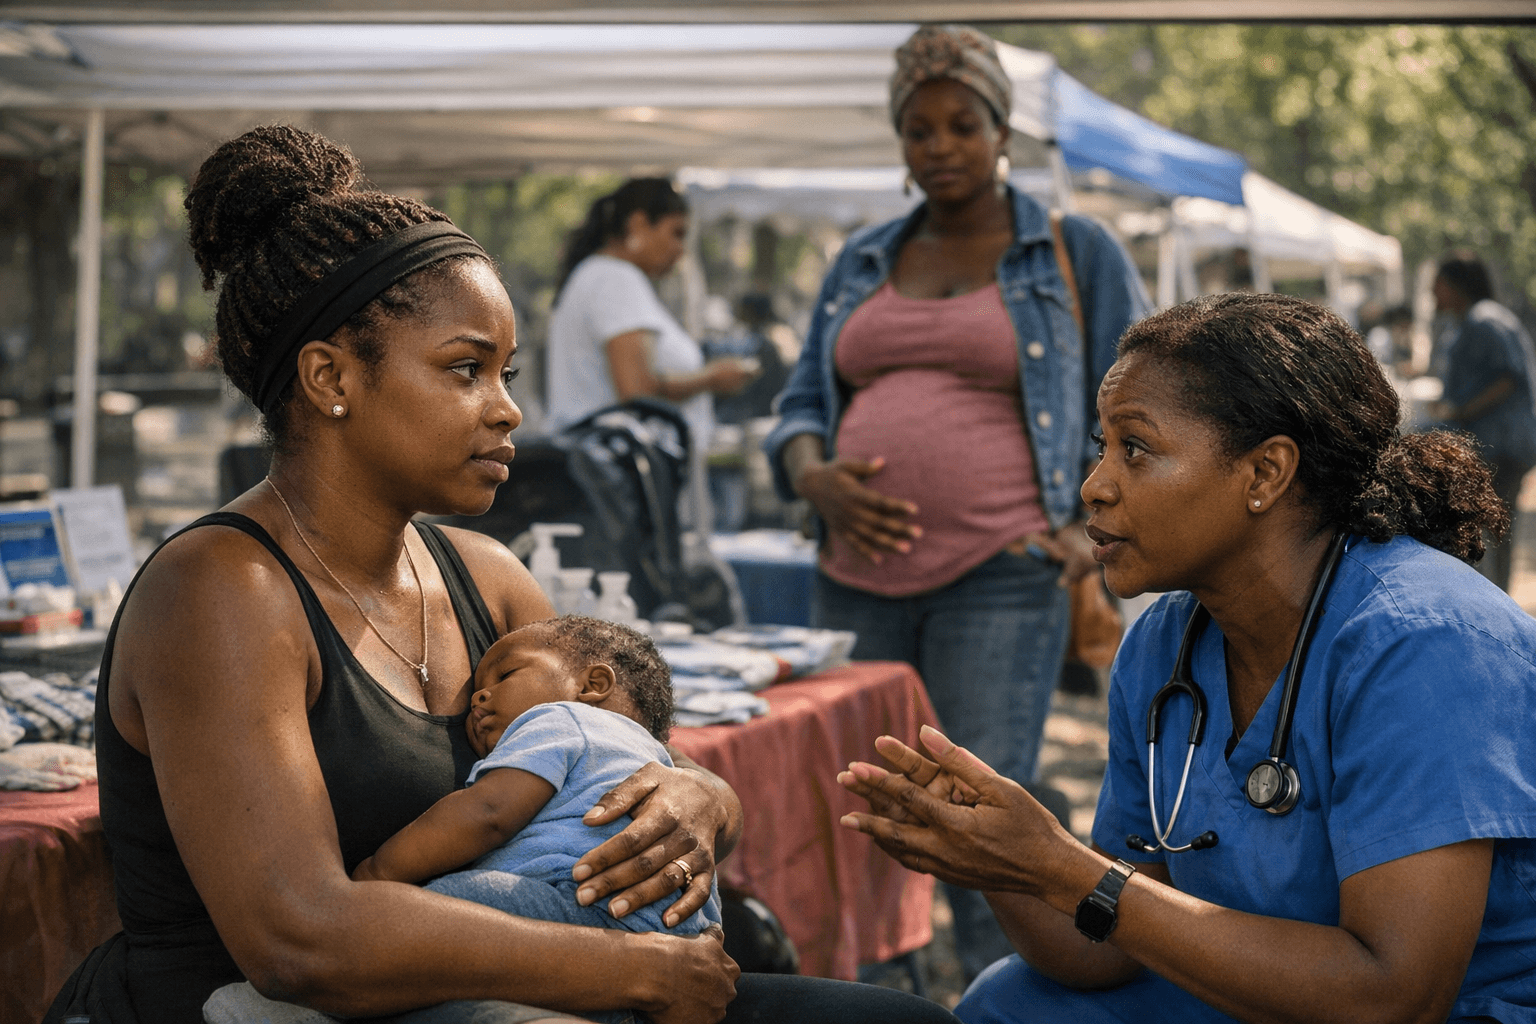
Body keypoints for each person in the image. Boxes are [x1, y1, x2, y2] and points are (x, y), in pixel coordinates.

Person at [48, 125, 958, 1024]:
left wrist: (702, 799)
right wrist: (625, 969)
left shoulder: (487, 579)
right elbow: (302, 940)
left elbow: (647, 768)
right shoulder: (221, 590)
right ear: (331, 377)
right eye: (465, 370)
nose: (509, 408)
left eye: (506, 372)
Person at [836, 292, 1536, 1023]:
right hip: (1262, 996)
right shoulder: (1164, 646)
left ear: (1264, 474)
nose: (1094, 486)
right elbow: (1107, 947)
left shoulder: (1426, 640)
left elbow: (1394, 996)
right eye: (1100, 449)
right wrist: (1005, 865)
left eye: (1134, 449)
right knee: (1009, 1002)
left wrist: (1064, 866)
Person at [763, 23, 1150, 979]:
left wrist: (1079, 529)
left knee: (983, 817)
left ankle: (1001, 996)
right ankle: (874, 999)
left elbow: (1149, 391)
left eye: (961, 126)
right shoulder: (862, 258)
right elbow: (804, 401)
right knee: (858, 814)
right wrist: (811, 473)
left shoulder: (1068, 249)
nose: (939, 147)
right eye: (918, 130)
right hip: (853, 577)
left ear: (1001, 130)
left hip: (999, 576)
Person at [352, 615, 723, 943]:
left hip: (580, 905)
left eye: (505, 675)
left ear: (592, 684)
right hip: (684, 929)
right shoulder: (654, 760)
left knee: (424, 913)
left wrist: (377, 872)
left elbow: (489, 813)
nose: (479, 696)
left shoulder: (561, 719)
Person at [545, 179, 758, 531]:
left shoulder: (597, 276)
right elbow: (636, 389)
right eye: (676, 233)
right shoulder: (616, 279)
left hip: (608, 481)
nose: (680, 249)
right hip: (621, 486)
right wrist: (712, 379)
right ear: (638, 224)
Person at [1428, 253, 1536, 592]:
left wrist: (1463, 410)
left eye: (1439, 284)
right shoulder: (1472, 321)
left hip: (1501, 446)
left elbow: (1510, 377)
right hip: (1496, 445)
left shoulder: (1484, 320)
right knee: (1492, 533)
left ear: (1457, 286)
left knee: (1490, 533)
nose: (1433, 292)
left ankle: (1495, 607)